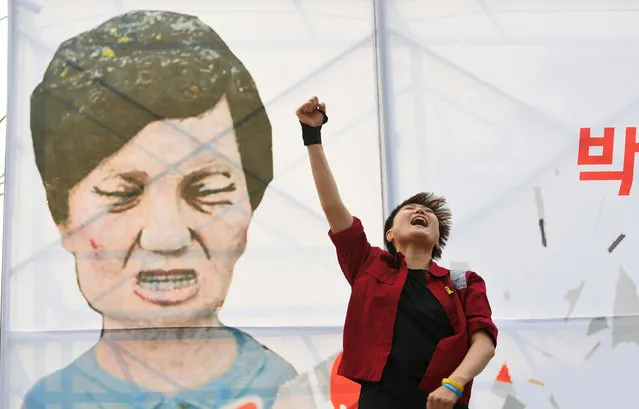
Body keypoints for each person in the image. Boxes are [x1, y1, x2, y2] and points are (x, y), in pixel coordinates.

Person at [22, 10, 298, 409]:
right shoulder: (51, 402)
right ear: (63, 219)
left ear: (248, 209)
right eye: (122, 195)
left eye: (207, 190)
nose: (167, 236)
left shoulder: (284, 392)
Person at [296, 96, 498, 409]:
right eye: (410, 209)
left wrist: (454, 385)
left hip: (442, 400)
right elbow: (332, 205)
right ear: (390, 234)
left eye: (427, 212)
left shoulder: (464, 282)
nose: (420, 210)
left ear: (436, 239)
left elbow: (483, 342)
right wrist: (312, 136)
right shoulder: (367, 263)